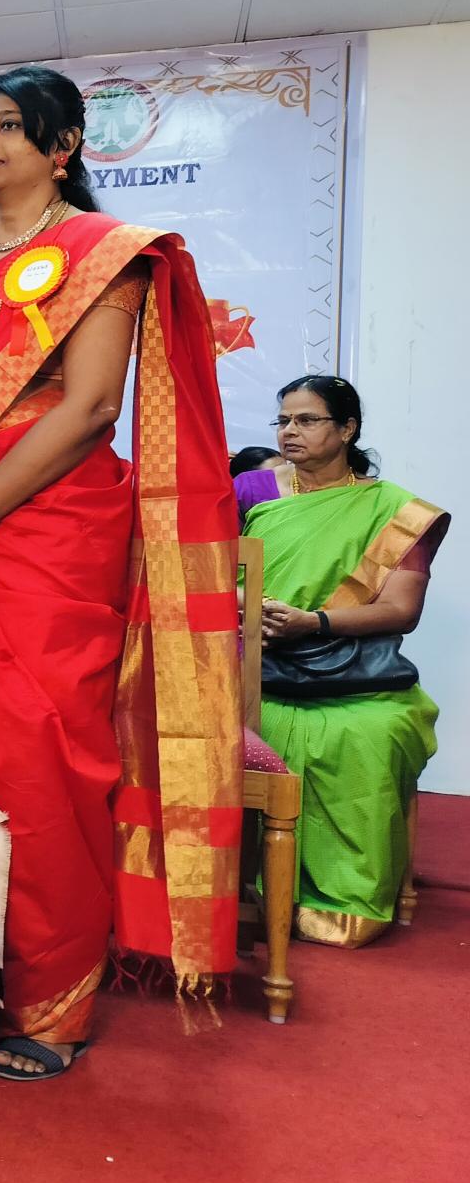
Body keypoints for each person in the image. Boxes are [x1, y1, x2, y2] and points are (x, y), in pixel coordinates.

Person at [0, 65, 241, 1078]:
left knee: (37, 763)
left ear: (63, 146)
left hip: (41, 537)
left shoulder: (100, 252)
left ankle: (46, 1000)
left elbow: (89, 409)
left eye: (9, 127)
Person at [239, 375, 448, 947]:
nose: (290, 431)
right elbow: (208, 569)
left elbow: (401, 610)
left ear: (348, 428)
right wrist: (244, 607)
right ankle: (247, 892)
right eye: (283, 420)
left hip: (358, 679)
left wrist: (313, 622)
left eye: (307, 420)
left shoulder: (395, 510)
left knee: (372, 735)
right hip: (258, 671)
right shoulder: (251, 491)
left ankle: (343, 901)